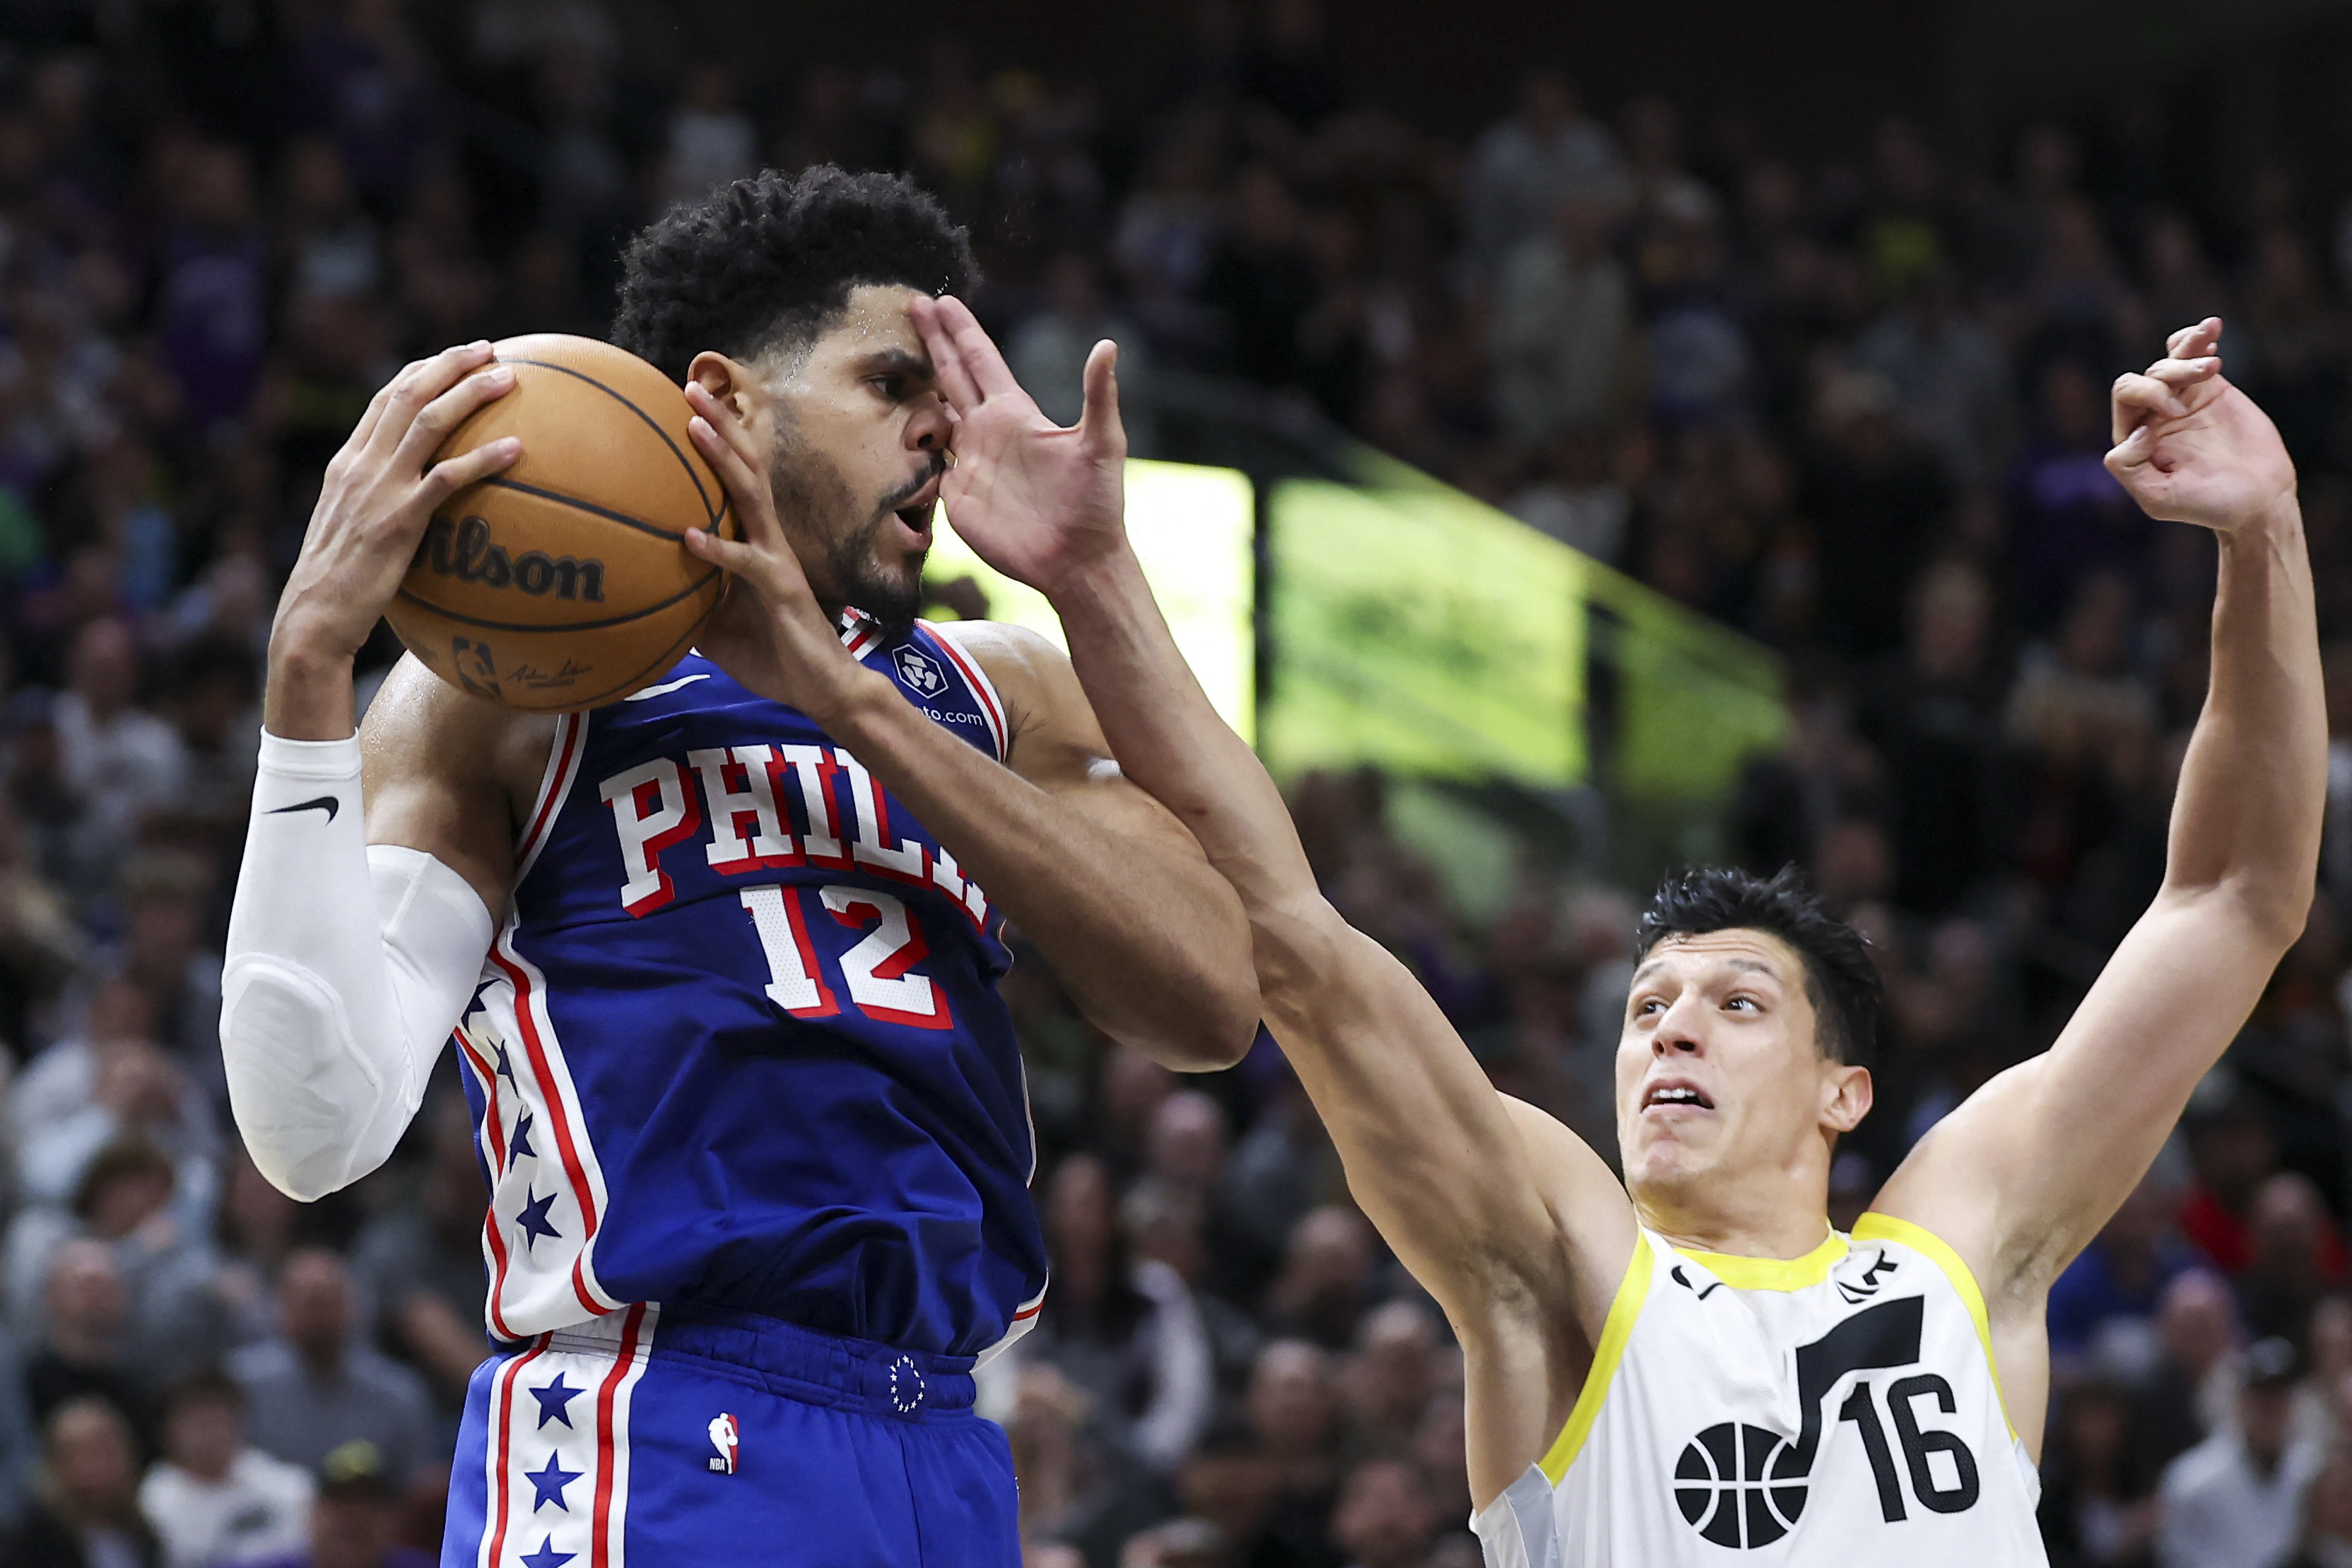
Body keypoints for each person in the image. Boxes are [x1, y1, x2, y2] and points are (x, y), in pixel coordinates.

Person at [909, 299, 2318, 1560]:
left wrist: (2259, 532)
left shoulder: (1956, 1246)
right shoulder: (1573, 1255)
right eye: (1648, 1005)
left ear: (1846, 1093)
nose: (1669, 1025)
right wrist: (1092, 578)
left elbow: (2232, 902)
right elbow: (1294, 935)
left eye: (1733, 1002)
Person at [218, 165, 1255, 1564]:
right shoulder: (515, 684)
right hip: (656, 1417)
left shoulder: (997, 684)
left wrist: (854, 705)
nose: (942, 433)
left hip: (944, 1441)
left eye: (950, 400)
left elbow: (1209, 1001)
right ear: (731, 396)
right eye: (894, 384)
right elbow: (313, 1124)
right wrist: (305, 675)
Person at [137, 1370, 313, 1568]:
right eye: (199, 1420)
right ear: (167, 1432)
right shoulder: (151, 1504)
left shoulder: (288, 1484)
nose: (212, 1430)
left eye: (219, 1416)